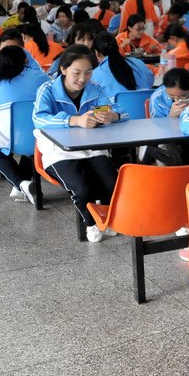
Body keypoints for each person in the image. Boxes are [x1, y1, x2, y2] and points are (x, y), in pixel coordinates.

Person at [32, 45, 124, 243]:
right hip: (59, 151)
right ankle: (90, 223)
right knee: (82, 189)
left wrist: (112, 115)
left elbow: (120, 111)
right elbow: (38, 119)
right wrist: (74, 120)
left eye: (88, 72)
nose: (83, 79)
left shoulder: (95, 89)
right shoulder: (47, 90)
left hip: (92, 148)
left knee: (112, 182)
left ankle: (106, 218)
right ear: (63, 69)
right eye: (77, 72)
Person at [0, 45, 49, 203]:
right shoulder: (39, 76)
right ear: (25, 60)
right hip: (37, 136)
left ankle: (21, 184)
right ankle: (23, 185)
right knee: (32, 148)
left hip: (7, 138)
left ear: (0, 63)